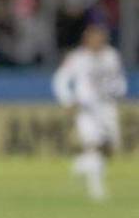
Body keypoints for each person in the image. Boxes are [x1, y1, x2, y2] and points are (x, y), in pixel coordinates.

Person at [53, 22, 128, 201]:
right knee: (93, 144)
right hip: (85, 108)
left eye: (101, 36)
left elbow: (119, 79)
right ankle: (97, 189)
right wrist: (67, 100)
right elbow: (60, 79)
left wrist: (119, 90)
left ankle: (80, 165)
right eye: (94, 37)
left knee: (110, 148)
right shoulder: (77, 58)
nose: (98, 40)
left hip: (107, 107)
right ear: (86, 39)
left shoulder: (111, 56)